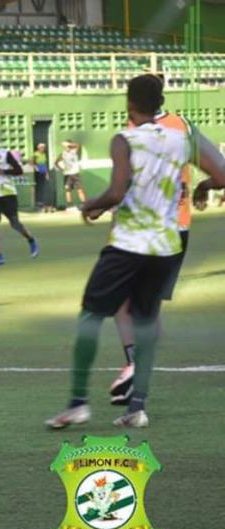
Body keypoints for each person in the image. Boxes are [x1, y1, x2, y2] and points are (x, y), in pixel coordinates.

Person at [46, 74, 225, 430]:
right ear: (160, 103)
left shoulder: (124, 139)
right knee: (145, 322)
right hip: (168, 245)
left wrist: (90, 207)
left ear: (129, 104)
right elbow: (221, 175)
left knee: (90, 315)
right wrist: (203, 187)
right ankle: (136, 408)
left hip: (129, 243)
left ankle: (78, 403)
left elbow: (116, 191)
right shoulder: (182, 138)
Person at [107, 109, 199, 404]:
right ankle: (138, 391)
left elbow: (129, 182)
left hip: (147, 228)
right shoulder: (181, 125)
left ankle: (135, 366)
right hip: (179, 227)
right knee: (149, 307)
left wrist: (105, 208)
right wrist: (206, 187)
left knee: (120, 301)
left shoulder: (134, 129)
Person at [0, 129, 39, 265]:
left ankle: (31, 240)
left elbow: (19, 170)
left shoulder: (6, 154)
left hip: (8, 193)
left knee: (14, 223)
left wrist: (3, 171)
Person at [56, 140, 87, 210]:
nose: (67, 147)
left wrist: (69, 144)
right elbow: (56, 162)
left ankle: (84, 204)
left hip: (75, 173)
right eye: (66, 146)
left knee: (80, 189)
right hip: (67, 174)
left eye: (68, 146)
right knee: (67, 189)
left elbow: (79, 144)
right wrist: (62, 169)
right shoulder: (62, 154)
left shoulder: (74, 151)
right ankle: (70, 205)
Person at [31, 143, 52, 212]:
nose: (43, 148)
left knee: (43, 187)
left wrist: (47, 173)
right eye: (41, 147)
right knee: (38, 187)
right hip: (38, 173)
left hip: (43, 172)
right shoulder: (35, 154)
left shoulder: (44, 154)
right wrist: (36, 168)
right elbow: (31, 162)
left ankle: (44, 203)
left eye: (44, 147)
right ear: (38, 148)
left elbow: (45, 164)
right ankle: (38, 203)